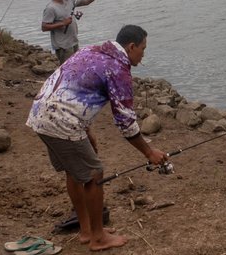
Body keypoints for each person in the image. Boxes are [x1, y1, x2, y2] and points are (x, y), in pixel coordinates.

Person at [26, 24, 166, 251]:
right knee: (94, 173)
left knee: (74, 171)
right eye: (143, 48)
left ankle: (87, 230)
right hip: (61, 121)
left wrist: (86, 129)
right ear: (131, 47)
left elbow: (74, 89)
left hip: (41, 112)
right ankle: (98, 238)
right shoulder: (119, 69)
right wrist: (149, 152)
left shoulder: (92, 50)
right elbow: (126, 122)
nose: (144, 53)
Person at [42, 0, 109, 64]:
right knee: (68, 70)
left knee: (76, 67)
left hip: (74, 42)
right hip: (63, 46)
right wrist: (63, 23)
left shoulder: (70, 1)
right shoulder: (51, 8)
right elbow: (44, 27)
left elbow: (86, 1)